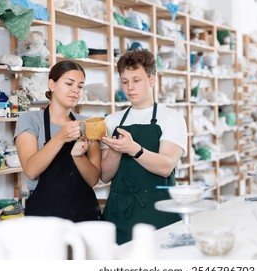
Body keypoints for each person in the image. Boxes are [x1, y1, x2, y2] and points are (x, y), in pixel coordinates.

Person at [101, 49, 187, 244]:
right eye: (124, 81)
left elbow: (165, 167)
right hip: (119, 212)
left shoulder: (171, 118)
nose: (130, 87)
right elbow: (105, 175)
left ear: (151, 79)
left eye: (136, 80)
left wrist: (133, 149)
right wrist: (115, 150)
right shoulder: (112, 120)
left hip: (159, 212)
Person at [14, 60, 102, 222]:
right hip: (45, 218)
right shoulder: (30, 120)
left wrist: (78, 156)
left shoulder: (87, 124)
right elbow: (31, 170)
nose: (75, 90)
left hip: (84, 214)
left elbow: (93, 179)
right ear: (52, 85)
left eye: (80, 86)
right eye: (69, 83)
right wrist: (61, 137)